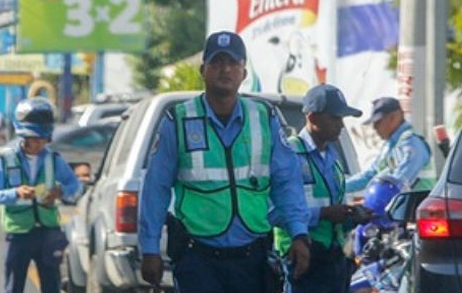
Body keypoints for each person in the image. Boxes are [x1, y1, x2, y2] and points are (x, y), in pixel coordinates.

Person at [139, 30, 312, 293]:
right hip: (198, 259)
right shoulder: (179, 120)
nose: (225, 69)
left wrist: (299, 233)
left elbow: (287, 181)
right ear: (203, 70)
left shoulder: (264, 117)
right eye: (217, 63)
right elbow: (156, 189)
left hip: (253, 258)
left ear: (243, 72)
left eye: (233, 63)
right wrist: (149, 248)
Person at [272, 83, 373, 293]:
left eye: (342, 119)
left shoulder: (333, 159)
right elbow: (272, 212)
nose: (341, 126)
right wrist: (323, 214)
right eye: (335, 118)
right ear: (312, 117)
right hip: (302, 260)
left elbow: (335, 212)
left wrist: (350, 217)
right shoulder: (289, 154)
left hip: (333, 261)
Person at [0, 97, 81, 293]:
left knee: (51, 286)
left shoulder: (54, 160)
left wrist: (61, 191)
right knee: (14, 286)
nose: (38, 144)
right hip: (19, 234)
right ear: (23, 135)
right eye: (34, 139)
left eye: (43, 139)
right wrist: (16, 193)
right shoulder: (5, 160)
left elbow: (75, 184)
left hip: (48, 232)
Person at [345, 97, 432, 193]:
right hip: (402, 205)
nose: (374, 128)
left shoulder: (412, 143)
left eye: (378, 122)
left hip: (416, 205)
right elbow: (370, 175)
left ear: (394, 117)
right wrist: (339, 187)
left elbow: (398, 182)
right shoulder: (390, 145)